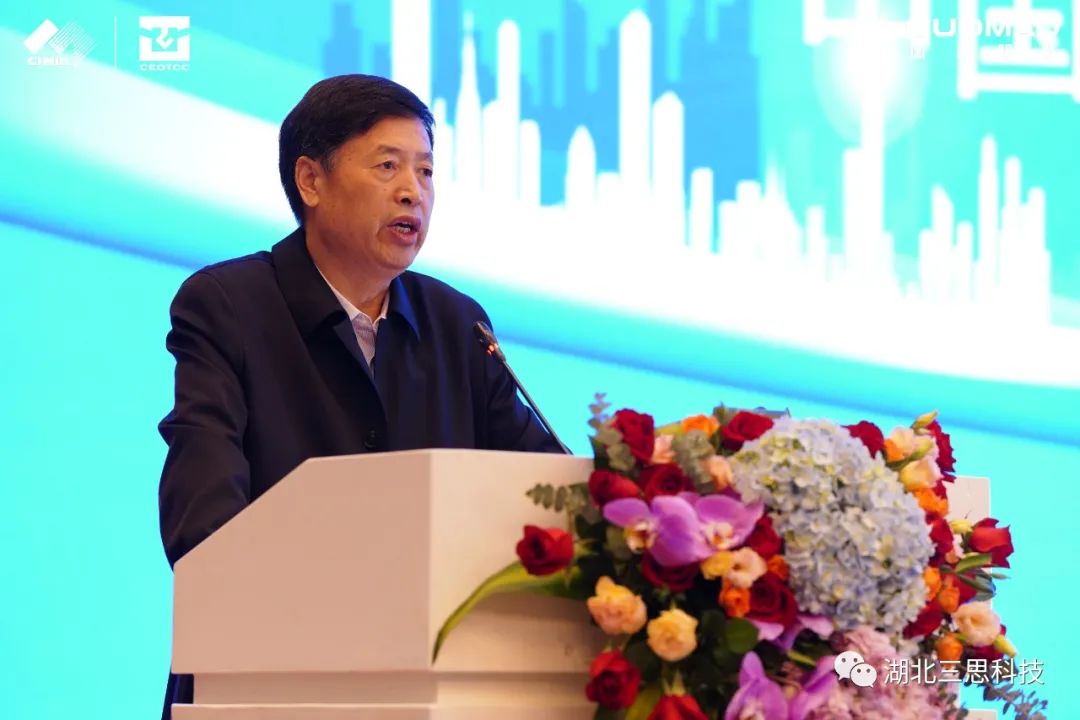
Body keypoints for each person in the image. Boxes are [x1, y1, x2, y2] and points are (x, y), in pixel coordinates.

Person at [157, 74, 563, 719]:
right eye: (387, 165)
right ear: (310, 181)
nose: (413, 191)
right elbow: (203, 517)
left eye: (426, 171)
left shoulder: (458, 324)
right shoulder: (229, 305)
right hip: (264, 683)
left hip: (438, 691)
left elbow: (542, 491)